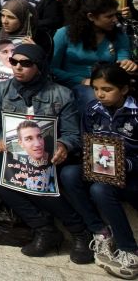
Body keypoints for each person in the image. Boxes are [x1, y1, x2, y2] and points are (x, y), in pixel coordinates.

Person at [0, 44, 93, 264]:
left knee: (39, 170)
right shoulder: (0, 90)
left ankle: (80, 232)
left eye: (25, 64)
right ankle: (43, 227)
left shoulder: (61, 94)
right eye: (14, 62)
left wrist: (63, 145)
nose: (17, 67)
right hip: (15, 151)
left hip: (49, 153)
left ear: (39, 66)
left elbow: (72, 133)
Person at [59, 64, 137, 278]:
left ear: (124, 89)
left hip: (130, 176)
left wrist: (125, 165)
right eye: (96, 88)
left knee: (100, 190)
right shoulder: (93, 110)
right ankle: (101, 232)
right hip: (101, 169)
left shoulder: (135, 113)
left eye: (107, 89)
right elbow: (86, 143)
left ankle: (129, 250)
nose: (100, 94)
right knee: (68, 174)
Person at [52, 0, 137, 112]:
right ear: (91, 17)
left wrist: (127, 64)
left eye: (115, 15)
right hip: (74, 84)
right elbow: (51, 68)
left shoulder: (118, 34)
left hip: (109, 85)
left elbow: (122, 59)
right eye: (109, 16)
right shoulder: (64, 34)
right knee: (93, 97)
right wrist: (82, 80)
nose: (115, 20)